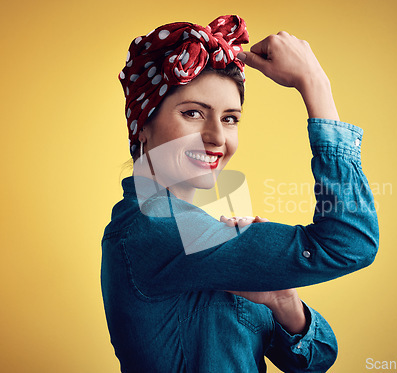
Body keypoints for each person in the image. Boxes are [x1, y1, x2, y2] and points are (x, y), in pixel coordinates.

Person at [101, 14, 379, 373]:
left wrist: (283, 301)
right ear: (142, 125)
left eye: (230, 118)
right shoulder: (155, 231)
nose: (217, 136)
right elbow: (350, 242)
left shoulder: (202, 237)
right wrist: (315, 85)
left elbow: (316, 358)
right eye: (193, 113)